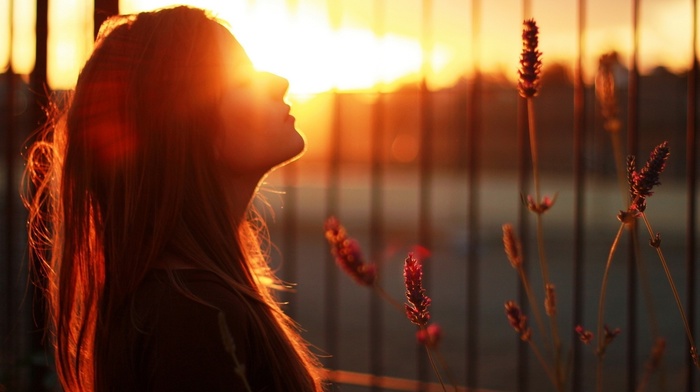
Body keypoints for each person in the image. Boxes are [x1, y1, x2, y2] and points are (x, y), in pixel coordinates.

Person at [23, 5, 324, 391]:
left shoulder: (183, 298)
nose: (279, 81)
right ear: (186, 130)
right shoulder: (195, 315)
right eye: (242, 81)